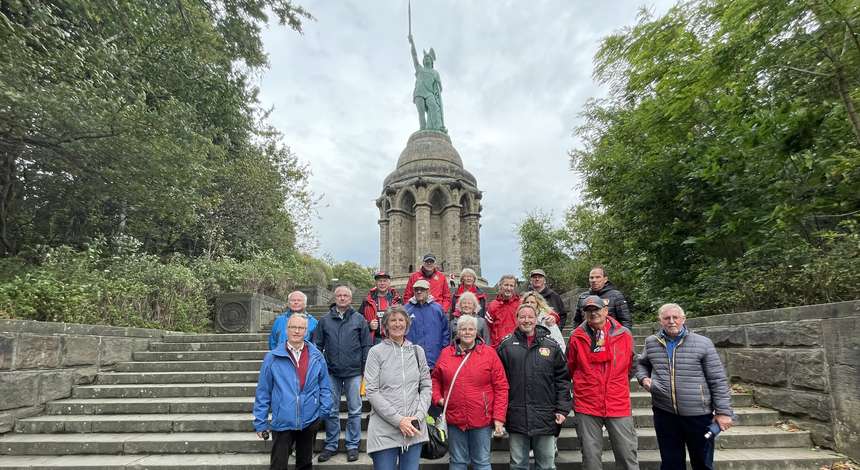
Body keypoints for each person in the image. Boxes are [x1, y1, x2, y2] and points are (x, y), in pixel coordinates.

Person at [636, 303, 734, 470]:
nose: (672, 321)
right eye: (667, 318)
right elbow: (641, 363)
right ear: (661, 321)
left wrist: (723, 412)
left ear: (683, 319)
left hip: (698, 414)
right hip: (664, 413)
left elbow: (717, 379)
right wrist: (644, 379)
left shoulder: (703, 343)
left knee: (702, 462)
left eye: (676, 318)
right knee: (670, 462)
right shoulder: (652, 342)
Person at [567, 295, 639, 470]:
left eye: (596, 309)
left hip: (617, 402)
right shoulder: (576, 336)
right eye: (589, 310)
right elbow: (570, 367)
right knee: (591, 457)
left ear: (606, 310)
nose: (593, 314)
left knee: (627, 454)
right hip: (587, 403)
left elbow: (632, 364)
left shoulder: (624, 334)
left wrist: (616, 383)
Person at [496, 304, 572, 470]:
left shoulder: (552, 345)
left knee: (546, 465)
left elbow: (563, 380)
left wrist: (562, 409)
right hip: (516, 415)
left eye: (530, 316)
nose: (526, 320)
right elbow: (497, 383)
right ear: (517, 319)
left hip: (545, 415)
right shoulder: (505, 346)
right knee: (517, 465)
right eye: (522, 317)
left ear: (536, 318)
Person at [254, 313, 333, 470]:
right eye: (293, 327)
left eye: (301, 328)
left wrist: (323, 411)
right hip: (282, 420)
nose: (297, 331)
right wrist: (260, 421)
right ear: (287, 329)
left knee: (305, 464)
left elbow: (325, 386)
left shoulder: (317, 356)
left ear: (306, 331)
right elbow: (263, 391)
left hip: (309, 420)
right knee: (278, 465)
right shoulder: (272, 357)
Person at [431, 315, 509, 470]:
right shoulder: (446, 353)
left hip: (481, 418)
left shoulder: (489, 353)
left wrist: (499, 417)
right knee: (457, 462)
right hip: (454, 419)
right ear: (457, 332)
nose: (467, 332)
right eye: (463, 329)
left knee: (481, 462)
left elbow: (501, 386)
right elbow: (434, 380)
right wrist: (438, 398)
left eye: (471, 329)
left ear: (477, 331)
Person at [364, 306, 432, 470]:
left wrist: (418, 416)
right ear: (385, 325)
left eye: (401, 320)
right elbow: (371, 391)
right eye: (392, 320)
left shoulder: (418, 351)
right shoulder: (376, 352)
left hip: (414, 428)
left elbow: (426, 386)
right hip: (384, 429)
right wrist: (399, 420)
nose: (397, 324)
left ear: (407, 324)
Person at [313, 286, 372, 463]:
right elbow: (317, 346)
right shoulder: (324, 320)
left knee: (355, 410)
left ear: (350, 298)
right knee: (331, 410)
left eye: (345, 295)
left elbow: (365, 346)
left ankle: (352, 445)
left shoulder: (359, 319)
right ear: (335, 298)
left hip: (354, 372)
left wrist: (364, 371)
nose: (342, 298)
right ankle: (331, 445)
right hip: (331, 372)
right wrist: (320, 369)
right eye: (339, 295)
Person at [405, 279, 450, 369]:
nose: (419, 292)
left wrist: (443, 352)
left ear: (428, 291)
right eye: (416, 289)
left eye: (422, 289)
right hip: (411, 359)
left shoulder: (438, 309)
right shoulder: (406, 310)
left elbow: (445, 332)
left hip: (434, 358)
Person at [408, 33, 446, 132]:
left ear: (431, 61)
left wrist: (438, 88)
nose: (426, 59)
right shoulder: (419, 69)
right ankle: (423, 130)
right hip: (419, 92)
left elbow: (439, 88)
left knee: (433, 106)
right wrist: (412, 43)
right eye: (425, 58)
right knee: (421, 113)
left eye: (428, 58)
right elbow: (414, 56)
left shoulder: (435, 73)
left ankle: (437, 127)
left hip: (429, 93)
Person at [359, 271, 401, 343]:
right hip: (375, 339)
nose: (382, 283)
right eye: (379, 281)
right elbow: (359, 320)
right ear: (375, 283)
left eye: (384, 281)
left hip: (393, 338)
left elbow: (404, 319)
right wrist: (369, 325)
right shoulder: (367, 300)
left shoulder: (397, 300)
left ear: (389, 283)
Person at [485, 274, 520, 348]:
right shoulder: (492, 305)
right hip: (498, 346)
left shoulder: (520, 304)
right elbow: (488, 328)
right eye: (506, 285)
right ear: (500, 286)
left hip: (517, 344)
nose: (508, 288)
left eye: (511, 286)